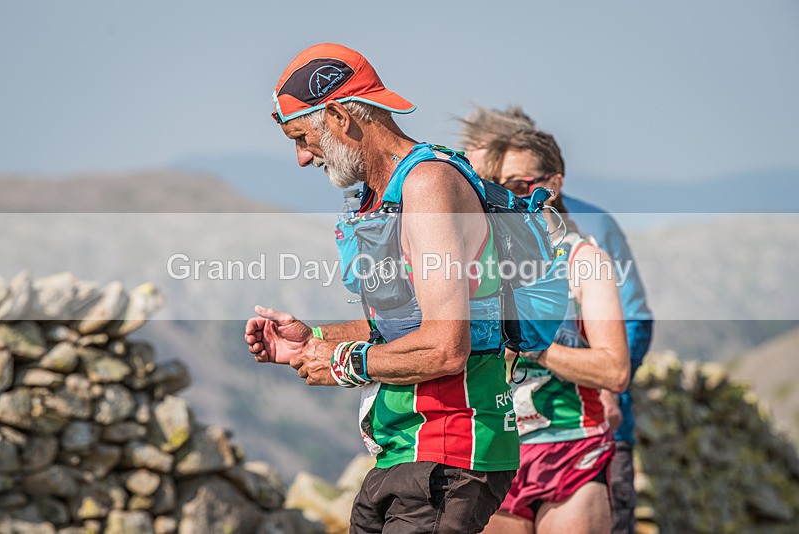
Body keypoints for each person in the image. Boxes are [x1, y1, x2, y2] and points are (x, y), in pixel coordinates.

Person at [244, 43, 519, 533]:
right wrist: (316, 341)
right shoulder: (384, 195)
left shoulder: (428, 185)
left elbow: (446, 346)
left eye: (302, 137)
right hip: (405, 448)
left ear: (338, 118)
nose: (301, 158)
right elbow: (407, 324)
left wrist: (343, 363)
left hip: (449, 447)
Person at [461, 106, 653, 534]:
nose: (504, 198)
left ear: (553, 184)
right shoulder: (476, 262)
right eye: (492, 186)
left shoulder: (587, 255)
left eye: (515, 185)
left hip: (573, 446)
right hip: (496, 451)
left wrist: (534, 346)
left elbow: (617, 364)